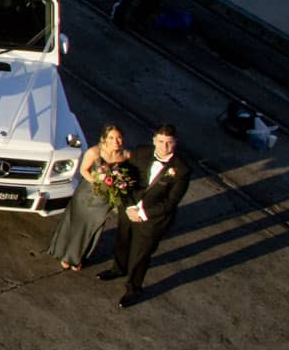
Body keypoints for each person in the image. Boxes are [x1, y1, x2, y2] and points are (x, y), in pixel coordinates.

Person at [102, 124, 193, 306]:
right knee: (122, 240)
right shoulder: (141, 153)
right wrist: (128, 207)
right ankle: (118, 268)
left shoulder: (182, 170)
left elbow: (170, 202)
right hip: (129, 208)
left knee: (140, 254)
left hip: (153, 218)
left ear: (175, 143)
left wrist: (142, 214)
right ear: (154, 140)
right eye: (160, 141)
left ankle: (134, 288)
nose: (164, 146)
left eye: (168, 142)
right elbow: (125, 180)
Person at [48, 124, 134, 271]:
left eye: (119, 137)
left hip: (105, 200)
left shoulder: (126, 155)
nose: (116, 141)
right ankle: (65, 253)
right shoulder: (95, 152)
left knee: (92, 227)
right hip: (87, 195)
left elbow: (128, 174)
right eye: (112, 137)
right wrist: (99, 182)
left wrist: (119, 183)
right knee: (77, 224)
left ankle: (76, 257)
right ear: (105, 139)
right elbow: (84, 170)